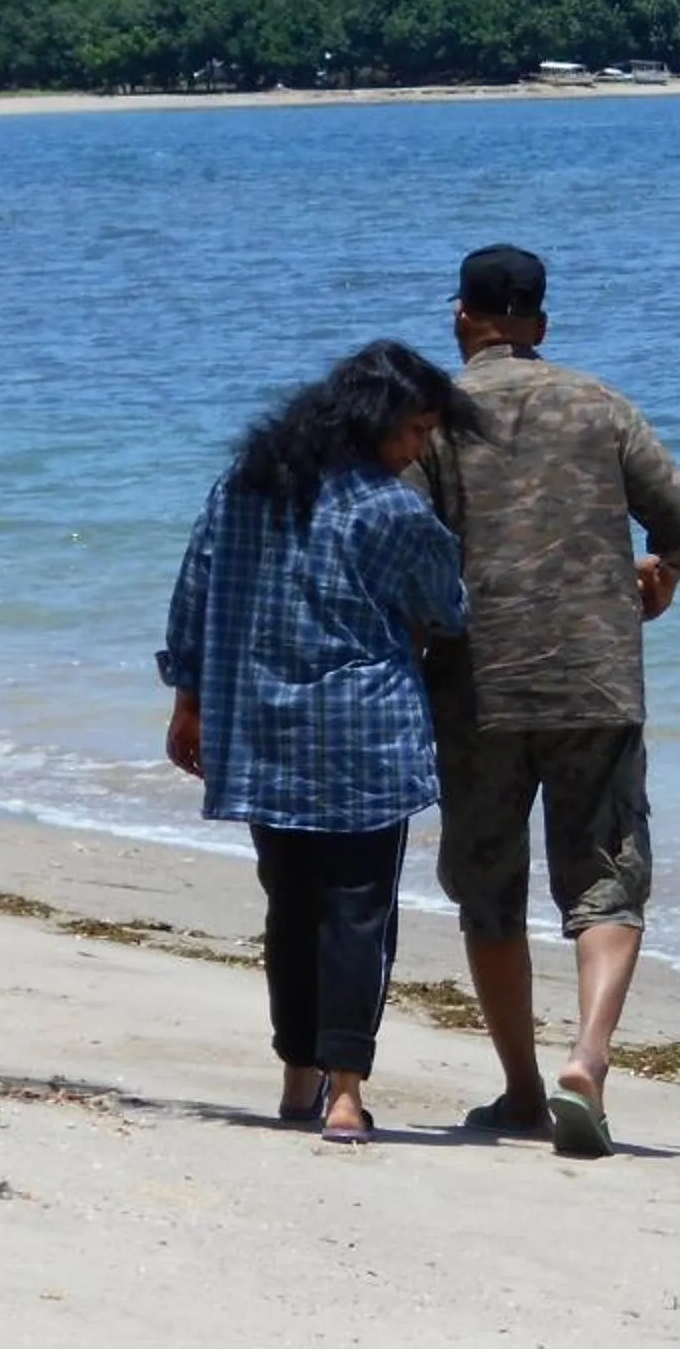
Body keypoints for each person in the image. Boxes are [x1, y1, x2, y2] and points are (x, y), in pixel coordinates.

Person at [420, 244, 680, 1158]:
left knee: (488, 889)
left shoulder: (430, 422)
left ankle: (518, 1090)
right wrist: (664, 573)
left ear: (462, 318)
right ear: (541, 325)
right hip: (595, 678)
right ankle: (587, 1056)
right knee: (606, 877)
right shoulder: (600, 405)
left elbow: (399, 543)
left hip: (478, 683)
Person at [159, 341, 467, 1145]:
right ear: (377, 425)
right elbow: (448, 606)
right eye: (416, 432)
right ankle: (345, 1093)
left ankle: (298, 1075)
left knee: (290, 907)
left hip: (262, 730)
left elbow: (194, 588)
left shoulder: (247, 486)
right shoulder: (391, 509)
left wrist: (188, 701)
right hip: (364, 736)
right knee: (358, 913)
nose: (420, 449)